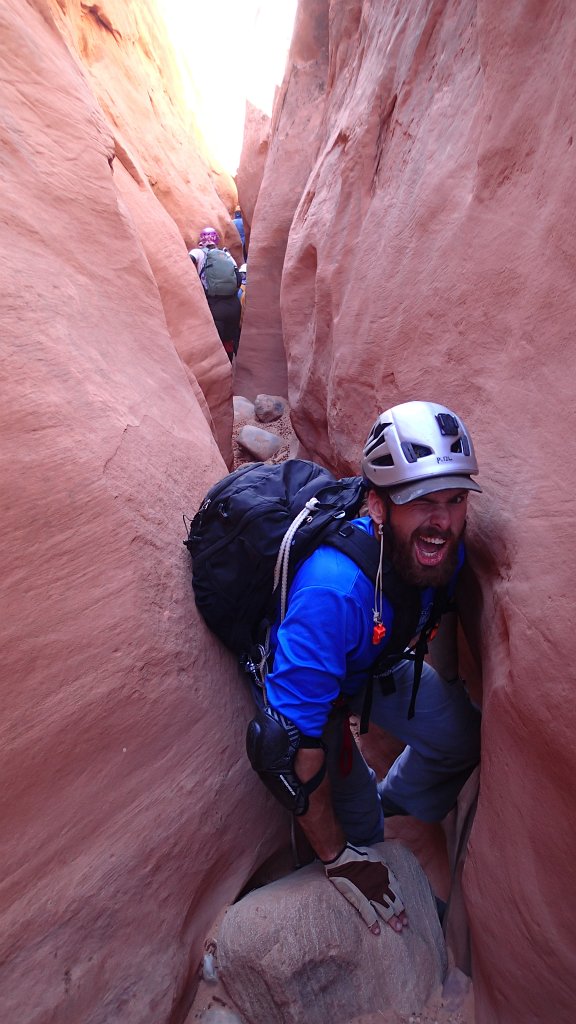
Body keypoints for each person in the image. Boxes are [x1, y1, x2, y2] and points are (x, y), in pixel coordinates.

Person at [246, 400, 482, 937]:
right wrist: (338, 859)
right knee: (365, 836)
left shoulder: (444, 551)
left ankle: (394, 797)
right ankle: (366, 828)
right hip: (327, 689)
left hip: (375, 663)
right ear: (378, 506)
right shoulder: (333, 590)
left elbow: (436, 612)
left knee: (462, 735)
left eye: (454, 500)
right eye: (422, 501)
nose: (441, 521)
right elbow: (285, 746)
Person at [189, 227, 242, 362]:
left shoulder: (198, 252)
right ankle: (232, 368)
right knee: (229, 340)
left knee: (216, 344)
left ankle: (222, 376)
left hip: (214, 304)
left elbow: (189, 260)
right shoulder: (225, 253)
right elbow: (239, 277)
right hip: (233, 304)